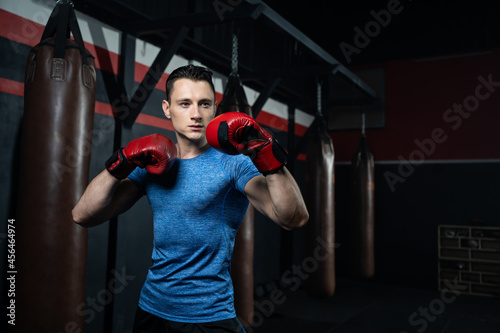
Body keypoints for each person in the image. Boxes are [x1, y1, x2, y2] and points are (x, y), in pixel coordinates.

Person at [72, 64, 309, 333]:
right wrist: (121, 161)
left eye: (204, 104)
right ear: (167, 108)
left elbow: (294, 218)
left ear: (215, 108)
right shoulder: (153, 162)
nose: (196, 114)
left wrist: (266, 154)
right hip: (152, 309)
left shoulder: (233, 164)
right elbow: (82, 215)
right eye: (184, 103)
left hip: (209, 316)